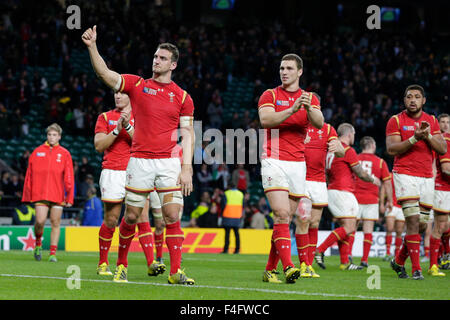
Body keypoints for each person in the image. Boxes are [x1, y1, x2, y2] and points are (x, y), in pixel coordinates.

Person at [83, 26, 195, 284]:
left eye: (162, 58)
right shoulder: (138, 85)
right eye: (156, 56)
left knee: (172, 215)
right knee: (131, 216)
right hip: (140, 161)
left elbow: (188, 132)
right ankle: (121, 263)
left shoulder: (183, 97)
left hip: (168, 162)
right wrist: (92, 47)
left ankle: (175, 271)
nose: (156, 60)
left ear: (173, 65)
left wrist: (186, 167)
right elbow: (105, 74)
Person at [258, 53, 324, 283]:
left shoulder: (309, 98)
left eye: (288, 68)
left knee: (284, 220)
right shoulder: (270, 94)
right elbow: (266, 120)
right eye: (281, 68)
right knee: (282, 213)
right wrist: (293, 109)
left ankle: (269, 269)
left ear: (299, 72)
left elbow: (319, 123)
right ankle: (288, 266)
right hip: (273, 159)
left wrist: (307, 107)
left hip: (297, 163)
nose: (284, 72)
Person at [94, 91, 165, 277]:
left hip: (137, 170)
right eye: (115, 93)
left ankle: (151, 262)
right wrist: (117, 129)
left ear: (130, 97)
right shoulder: (105, 117)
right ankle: (103, 262)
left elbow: (145, 142)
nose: (117, 96)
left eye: (122, 93)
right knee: (111, 219)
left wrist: (128, 126)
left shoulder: (141, 116)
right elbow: (99, 145)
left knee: (142, 218)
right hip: (112, 171)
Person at [386, 84, 447, 280]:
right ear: (404, 100)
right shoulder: (395, 120)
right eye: (409, 97)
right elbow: (392, 149)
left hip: (427, 177)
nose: (413, 100)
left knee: (421, 225)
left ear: (424, 101)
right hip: (404, 174)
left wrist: (427, 135)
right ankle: (416, 269)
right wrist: (414, 138)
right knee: (412, 220)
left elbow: (442, 149)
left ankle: (399, 260)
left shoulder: (431, 121)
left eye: (417, 97)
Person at [314, 123, 381, 271]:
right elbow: (360, 173)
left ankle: (345, 262)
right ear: (350, 134)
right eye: (353, 135)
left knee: (345, 227)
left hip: (332, 190)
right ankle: (320, 249)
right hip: (342, 191)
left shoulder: (330, 151)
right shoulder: (347, 150)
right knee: (350, 226)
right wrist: (373, 179)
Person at [295, 111, 345, 278]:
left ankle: (309, 265)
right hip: (301, 180)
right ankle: (303, 264)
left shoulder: (328, 129)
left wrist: (338, 148)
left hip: (319, 183)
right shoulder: (298, 126)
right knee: (304, 220)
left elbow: (341, 153)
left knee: (315, 223)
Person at [22, 123, 74, 262]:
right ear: (47, 136)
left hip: (57, 194)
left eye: (54, 135)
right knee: (39, 221)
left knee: (55, 222)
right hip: (40, 194)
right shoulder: (37, 151)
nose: (52, 137)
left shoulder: (65, 154)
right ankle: (38, 244)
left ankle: (52, 254)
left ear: (59, 137)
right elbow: (29, 175)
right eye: (50, 135)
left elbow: (69, 176)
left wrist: (69, 196)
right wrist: (27, 193)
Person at [351, 136, 392, 267]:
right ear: (373, 146)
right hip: (371, 199)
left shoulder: (355, 158)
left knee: (351, 229)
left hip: (355, 198)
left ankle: (347, 256)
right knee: (368, 230)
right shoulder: (380, 162)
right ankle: (364, 260)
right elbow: (387, 183)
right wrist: (389, 200)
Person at [427, 113, 450, 276]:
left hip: (442, 188)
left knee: (445, 226)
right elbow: (447, 169)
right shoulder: (444, 140)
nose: (446, 125)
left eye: (448, 122)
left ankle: (444, 257)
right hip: (442, 188)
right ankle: (433, 265)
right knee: (439, 226)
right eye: (442, 122)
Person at [380, 176, 405, 261]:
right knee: (389, 229)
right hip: (391, 205)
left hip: (401, 206)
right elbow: (384, 188)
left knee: (399, 231)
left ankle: (397, 254)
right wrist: (382, 204)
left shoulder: (406, 177)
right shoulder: (390, 175)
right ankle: (387, 253)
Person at [221, 183, 244, 254]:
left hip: (227, 215)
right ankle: (237, 250)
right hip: (237, 216)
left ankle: (226, 250)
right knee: (237, 234)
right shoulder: (241, 194)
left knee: (227, 234)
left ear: (229, 186)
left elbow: (222, 205)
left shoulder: (226, 193)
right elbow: (243, 205)